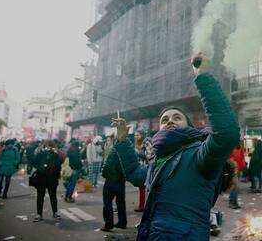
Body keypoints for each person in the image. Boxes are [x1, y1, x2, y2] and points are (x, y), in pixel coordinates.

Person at [105, 54, 240, 240]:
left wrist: (203, 77)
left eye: (177, 118)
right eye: (164, 120)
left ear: (189, 126)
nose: (169, 122)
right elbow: (135, 173)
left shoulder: (200, 155)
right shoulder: (158, 160)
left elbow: (227, 133)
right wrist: (122, 140)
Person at [32, 140, 64, 222]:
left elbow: (60, 162)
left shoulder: (55, 154)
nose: (48, 147)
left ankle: (43, 214)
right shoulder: (40, 152)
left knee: (48, 196)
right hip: (45, 177)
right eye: (47, 146)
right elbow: (34, 162)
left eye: (50, 146)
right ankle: (46, 213)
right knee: (44, 196)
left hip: (48, 177)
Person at [133, 130, 153, 212]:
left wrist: (137, 153)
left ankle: (144, 207)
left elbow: (149, 155)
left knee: (146, 187)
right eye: (135, 135)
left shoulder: (146, 142)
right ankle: (142, 206)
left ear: (142, 135)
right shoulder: (137, 143)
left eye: (137, 135)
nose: (136, 137)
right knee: (142, 188)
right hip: (141, 167)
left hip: (147, 167)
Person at [228, 142, 246, 209]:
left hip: (239, 169)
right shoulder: (231, 147)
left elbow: (242, 157)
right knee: (234, 187)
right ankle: (231, 202)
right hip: (233, 170)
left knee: (237, 188)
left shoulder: (240, 148)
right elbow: (230, 158)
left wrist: (242, 166)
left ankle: (235, 202)